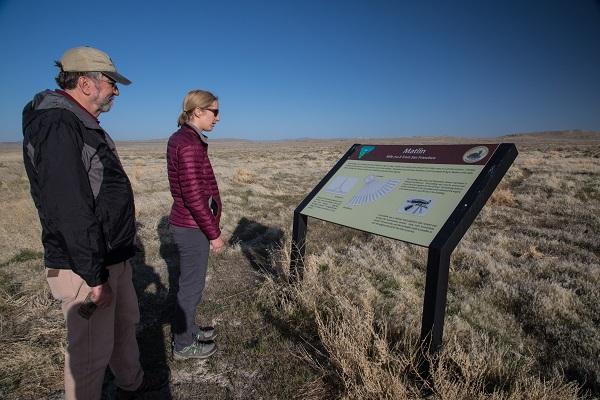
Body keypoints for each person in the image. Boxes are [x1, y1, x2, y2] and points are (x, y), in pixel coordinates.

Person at [22, 46, 167, 399]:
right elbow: (67, 207)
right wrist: (93, 275)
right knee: (88, 355)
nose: (116, 91)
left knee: (123, 328)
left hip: (111, 257)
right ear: (86, 83)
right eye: (111, 83)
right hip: (83, 266)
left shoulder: (80, 122)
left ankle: (131, 384)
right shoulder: (57, 124)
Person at [166, 90, 224, 359]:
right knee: (191, 287)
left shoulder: (186, 139)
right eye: (214, 111)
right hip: (192, 228)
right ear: (197, 111)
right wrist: (214, 234)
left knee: (190, 284)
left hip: (189, 224)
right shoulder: (188, 144)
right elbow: (193, 195)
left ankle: (187, 330)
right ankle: (183, 345)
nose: (218, 118)